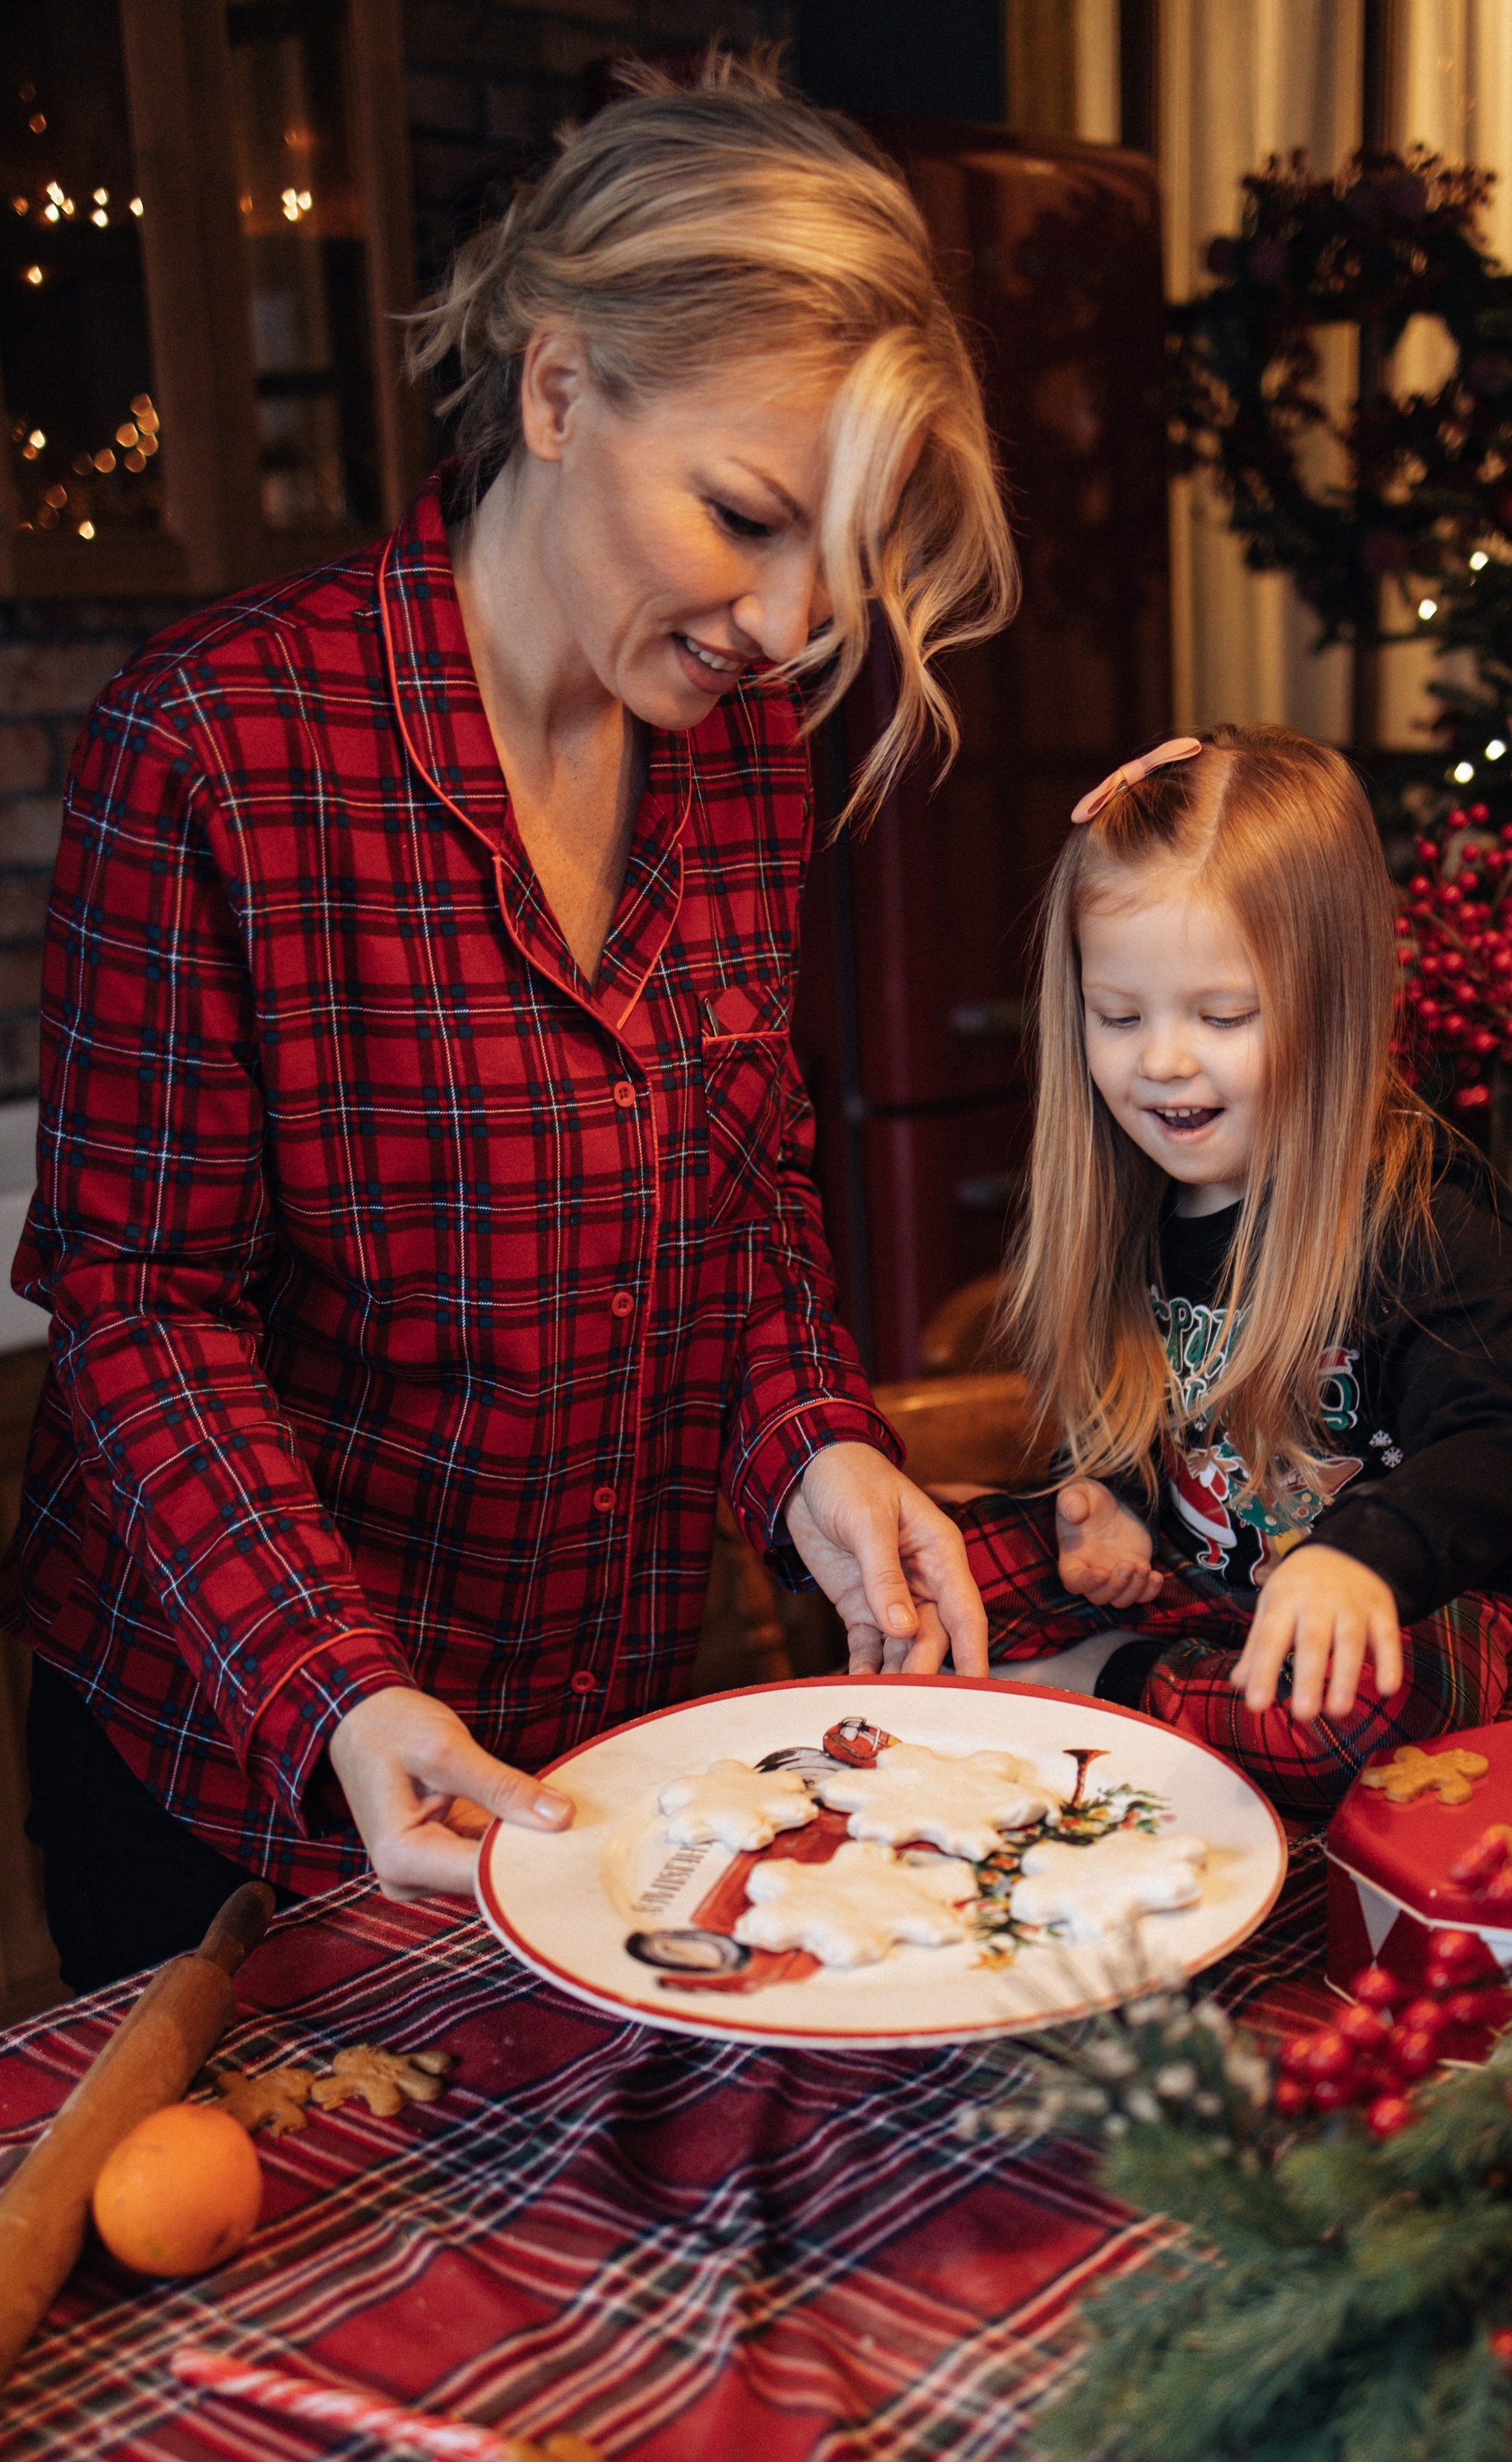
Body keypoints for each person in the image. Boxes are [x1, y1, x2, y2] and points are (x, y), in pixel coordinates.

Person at [6, 61, 1019, 1989]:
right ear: (559, 390)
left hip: (590, 1738)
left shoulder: (735, 773)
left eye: (847, 557)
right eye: (746, 515)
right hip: (239, 1771)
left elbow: (744, 1198)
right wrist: (338, 1696)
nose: (796, 626)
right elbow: (141, 1314)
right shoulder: (216, 747)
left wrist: (817, 1447)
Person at [954, 724, 1512, 1810]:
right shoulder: (1138, 1198)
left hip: (1395, 1597)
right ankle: (1157, 1692)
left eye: (1223, 1015)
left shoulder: (1426, 1212)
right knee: (933, 1563)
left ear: (1334, 1005)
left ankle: (1090, 1691)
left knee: (1360, 1724)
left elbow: (1502, 1448)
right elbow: (1159, 1431)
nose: (1164, 1060)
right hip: (1203, 1590)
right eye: (1119, 1015)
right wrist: (1113, 1506)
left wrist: (1361, 1558)